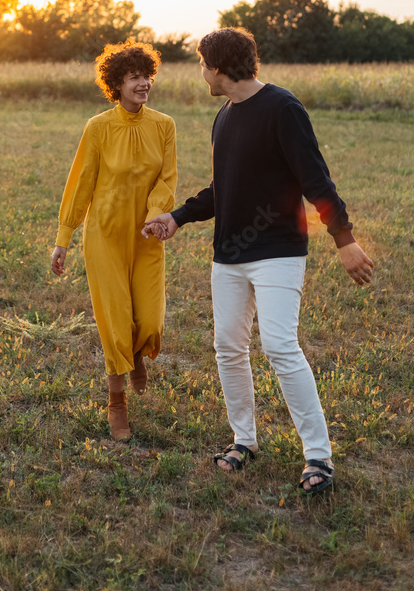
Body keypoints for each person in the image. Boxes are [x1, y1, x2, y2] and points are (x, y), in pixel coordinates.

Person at [143, 28, 374, 494]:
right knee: (228, 347)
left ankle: (318, 456)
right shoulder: (224, 115)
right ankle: (243, 441)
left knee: (280, 347)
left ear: (218, 68)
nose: (201, 72)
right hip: (228, 255)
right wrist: (178, 217)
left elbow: (315, 180)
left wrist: (344, 240)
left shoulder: (283, 109)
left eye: (202, 64)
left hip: (278, 252)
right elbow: (222, 188)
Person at [51, 40, 177, 442]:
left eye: (147, 76)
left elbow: (167, 179)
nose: (144, 84)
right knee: (115, 323)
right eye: (134, 77)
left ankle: (138, 354)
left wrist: (156, 215)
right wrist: (63, 237)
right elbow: (81, 183)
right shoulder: (98, 127)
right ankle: (116, 401)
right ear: (116, 84)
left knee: (151, 320)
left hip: (146, 237)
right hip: (104, 236)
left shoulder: (164, 125)